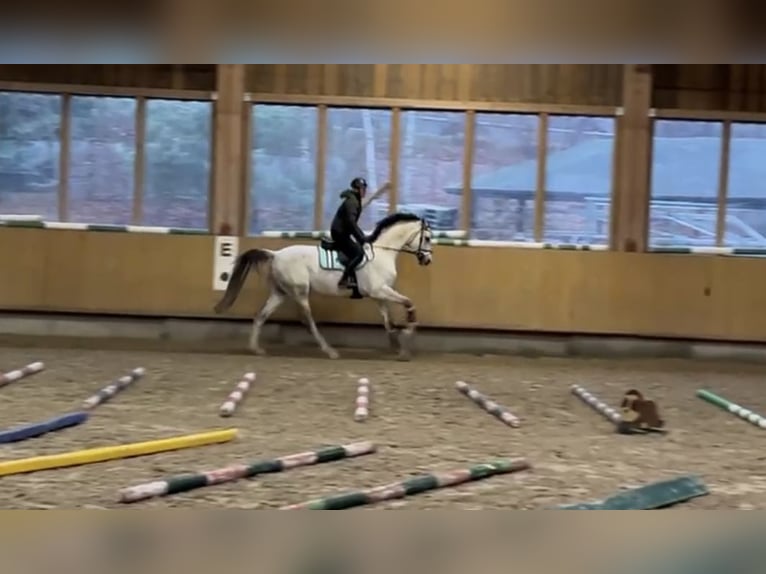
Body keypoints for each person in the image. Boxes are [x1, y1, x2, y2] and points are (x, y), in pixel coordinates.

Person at [330, 177, 368, 297]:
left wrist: (363, 237)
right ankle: (345, 279)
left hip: (343, 232)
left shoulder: (354, 200)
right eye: (363, 188)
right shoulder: (352, 202)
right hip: (340, 233)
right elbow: (351, 223)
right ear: (357, 190)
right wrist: (361, 239)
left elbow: (353, 225)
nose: (365, 191)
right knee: (359, 253)